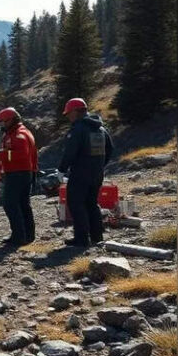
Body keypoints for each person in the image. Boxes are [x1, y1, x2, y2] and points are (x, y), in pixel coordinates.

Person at [58, 98, 114, 247]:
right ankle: (97, 236)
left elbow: (70, 152)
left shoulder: (78, 129)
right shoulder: (100, 129)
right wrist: (100, 165)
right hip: (97, 174)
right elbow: (110, 149)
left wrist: (62, 170)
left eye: (69, 113)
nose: (68, 117)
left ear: (75, 112)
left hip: (80, 174)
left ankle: (81, 239)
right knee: (92, 203)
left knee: (76, 204)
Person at [0, 107, 38, 246]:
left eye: (3, 122)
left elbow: (21, 154)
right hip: (23, 172)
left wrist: (2, 154)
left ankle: (19, 236)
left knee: (11, 204)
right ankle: (28, 235)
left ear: (11, 120)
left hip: (17, 173)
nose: (2, 125)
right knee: (23, 204)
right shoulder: (21, 132)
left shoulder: (18, 135)